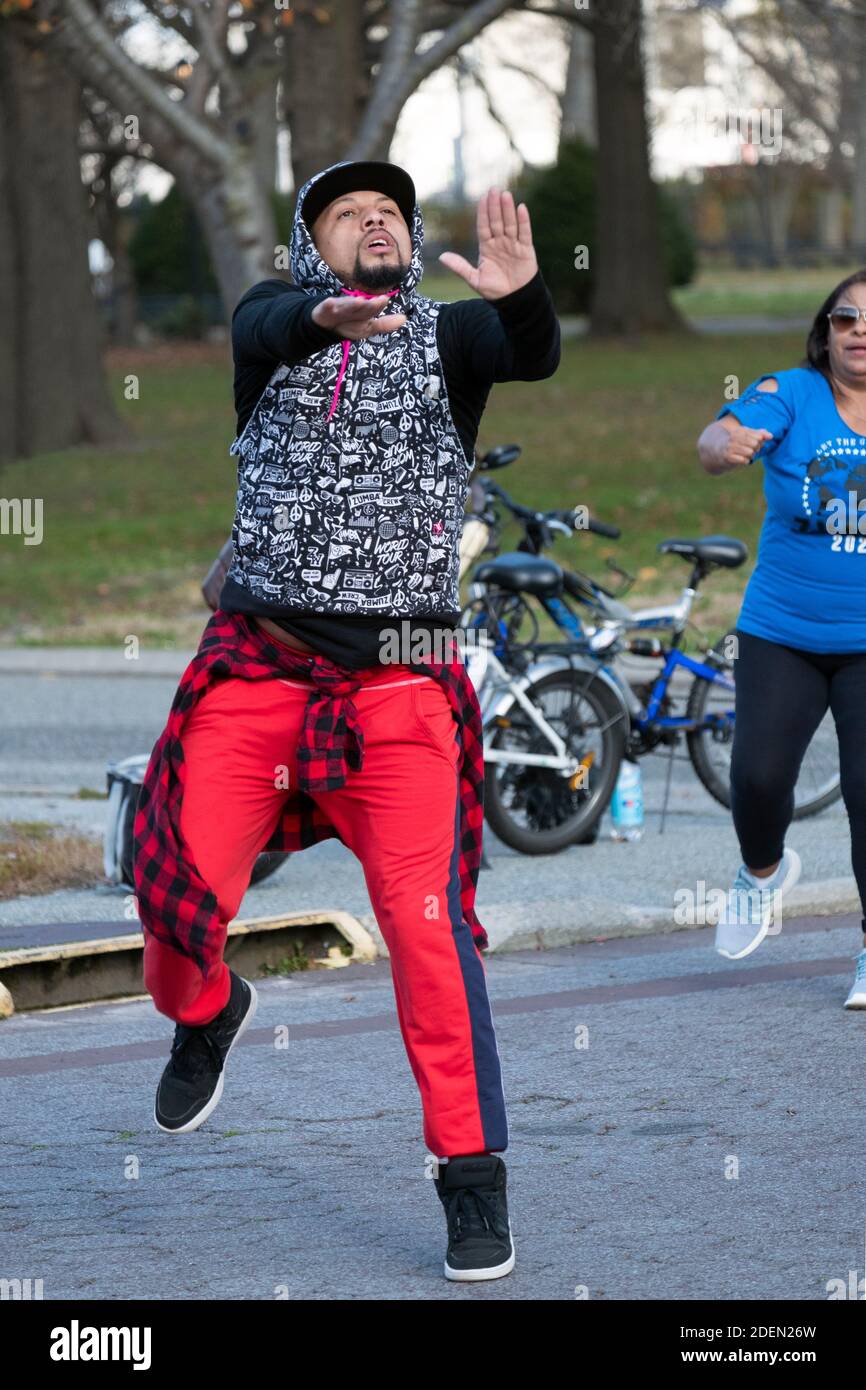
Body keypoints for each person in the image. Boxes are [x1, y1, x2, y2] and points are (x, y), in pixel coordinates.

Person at [133, 158, 561, 1282]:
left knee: (429, 934)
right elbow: (277, 321)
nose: (373, 221)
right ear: (306, 242)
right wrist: (322, 316)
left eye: (390, 214)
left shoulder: (451, 340)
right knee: (173, 903)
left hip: (399, 689)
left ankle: (470, 1176)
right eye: (345, 213)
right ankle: (211, 1009)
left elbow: (529, 352)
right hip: (255, 677)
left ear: (411, 245)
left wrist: (518, 296)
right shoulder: (266, 325)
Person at [696, 269, 866, 1008]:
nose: (859, 332)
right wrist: (723, 442)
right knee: (759, 777)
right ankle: (760, 874)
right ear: (825, 332)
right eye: (846, 319)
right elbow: (720, 433)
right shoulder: (792, 394)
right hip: (783, 629)